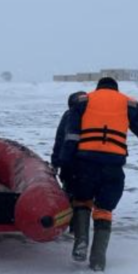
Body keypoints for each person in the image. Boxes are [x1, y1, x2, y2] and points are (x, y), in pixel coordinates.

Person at [60, 77, 138, 271]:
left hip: (85, 164)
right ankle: (98, 259)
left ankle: (81, 241)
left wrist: (65, 163)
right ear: (115, 89)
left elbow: (71, 136)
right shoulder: (128, 104)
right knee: (104, 209)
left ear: (98, 88)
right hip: (113, 167)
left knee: (82, 201)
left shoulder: (83, 101)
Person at [51, 91, 87, 228]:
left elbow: (60, 140)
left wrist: (55, 162)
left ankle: (66, 224)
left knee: (69, 194)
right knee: (84, 198)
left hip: (70, 163)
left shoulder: (69, 115)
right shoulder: (95, 115)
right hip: (90, 163)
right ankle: (79, 228)